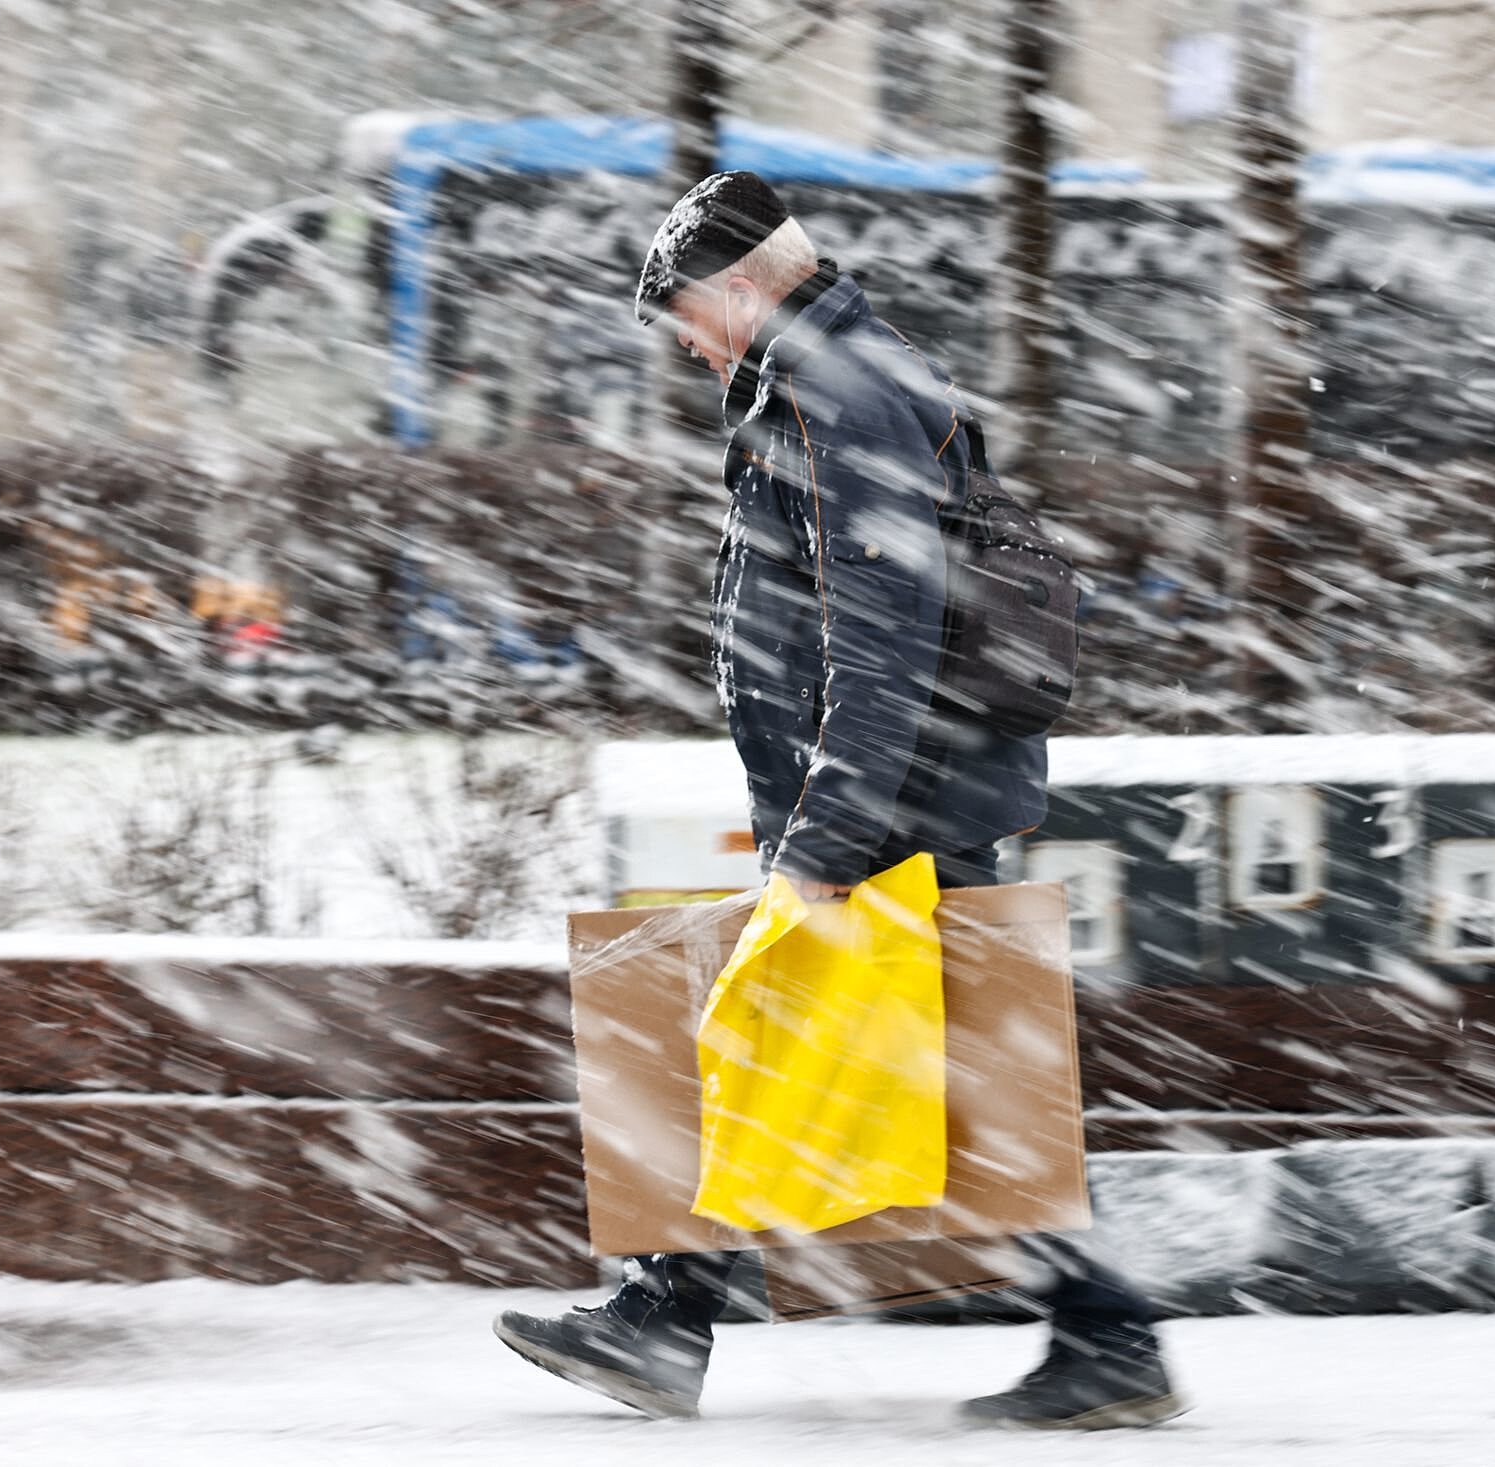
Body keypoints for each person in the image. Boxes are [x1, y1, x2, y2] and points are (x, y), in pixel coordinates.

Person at [493, 172, 1185, 1432]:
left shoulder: (838, 393)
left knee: (889, 1063)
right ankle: (676, 1318)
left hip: (899, 806)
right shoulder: (822, 378)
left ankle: (681, 1320)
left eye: (688, 314)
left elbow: (884, 641)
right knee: (914, 1066)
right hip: (907, 796)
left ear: (746, 289)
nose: (684, 341)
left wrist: (827, 835)